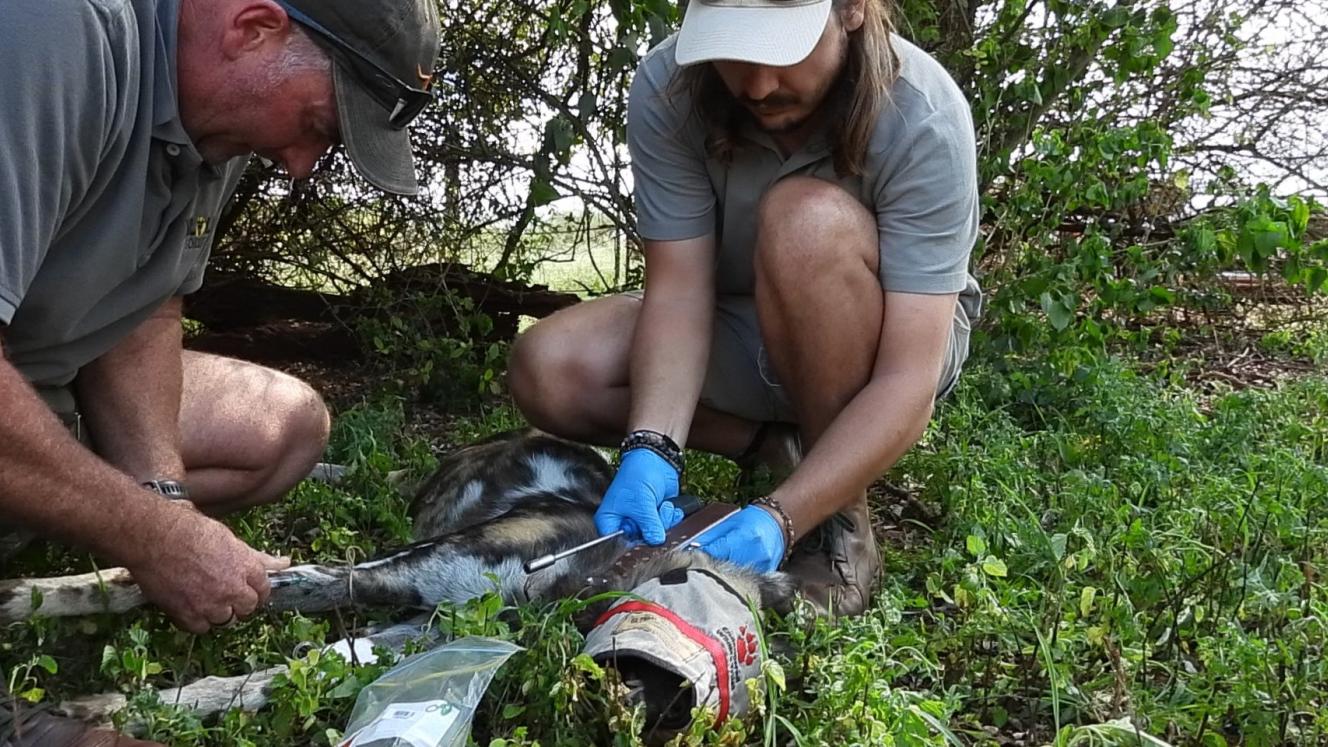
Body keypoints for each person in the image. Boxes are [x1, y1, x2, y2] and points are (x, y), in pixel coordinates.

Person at [0, 0, 438, 737]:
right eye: (317, 129)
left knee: (285, 425)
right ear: (254, 27)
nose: (300, 165)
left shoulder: (214, 123)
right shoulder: (57, 34)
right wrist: (148, 535)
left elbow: (144, 306)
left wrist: (162, 500)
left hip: (43, 374)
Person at [508, 0, 981, 616]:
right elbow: (678, 290)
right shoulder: (669, 87)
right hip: (739, 318)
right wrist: (652, 446)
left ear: (853, 11)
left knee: (802, 223)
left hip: (885, 337)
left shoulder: (924, 116)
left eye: (781, 49)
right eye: (731, 49)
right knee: (549, 366)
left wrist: (781, 520)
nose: (757, 85)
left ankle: (843, 526)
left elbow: (908, 376)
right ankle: (772, 446)